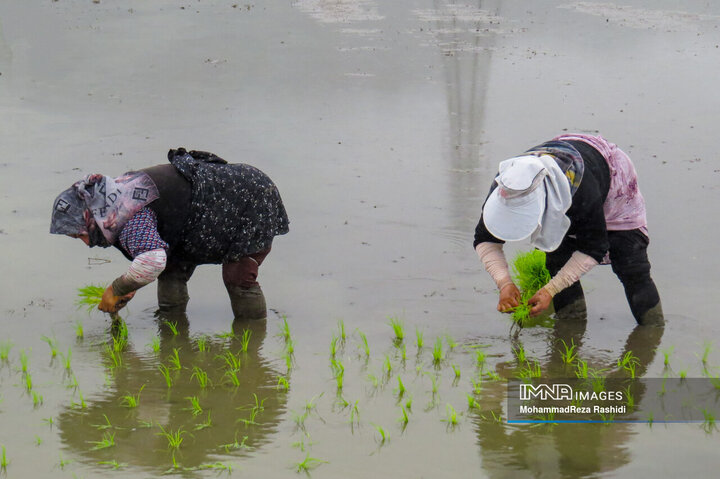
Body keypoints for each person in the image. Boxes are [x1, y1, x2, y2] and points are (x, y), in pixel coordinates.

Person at [50, 148, 289, 321]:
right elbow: (154, 259)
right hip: (196, 211)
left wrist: (117, 289)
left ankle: (252, 349)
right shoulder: (111, 202)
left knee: (239, 278)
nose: (86, 243)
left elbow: (152, 261)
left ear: (91, 217)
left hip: (249, 197)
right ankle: (172, 332)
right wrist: (135, 282)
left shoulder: (128, 213)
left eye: (80, 235)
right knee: (172, 270)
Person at [473, 134, 663, 325]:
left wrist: (551, 290)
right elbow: (484, 238)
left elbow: (594, 248)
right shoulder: (505, 185)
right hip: (565, 168)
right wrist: (504, 283)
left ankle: (653, 330)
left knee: (631, 264)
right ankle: (570, 329)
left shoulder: (582, 193)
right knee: (557, 261)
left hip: (607, 178)